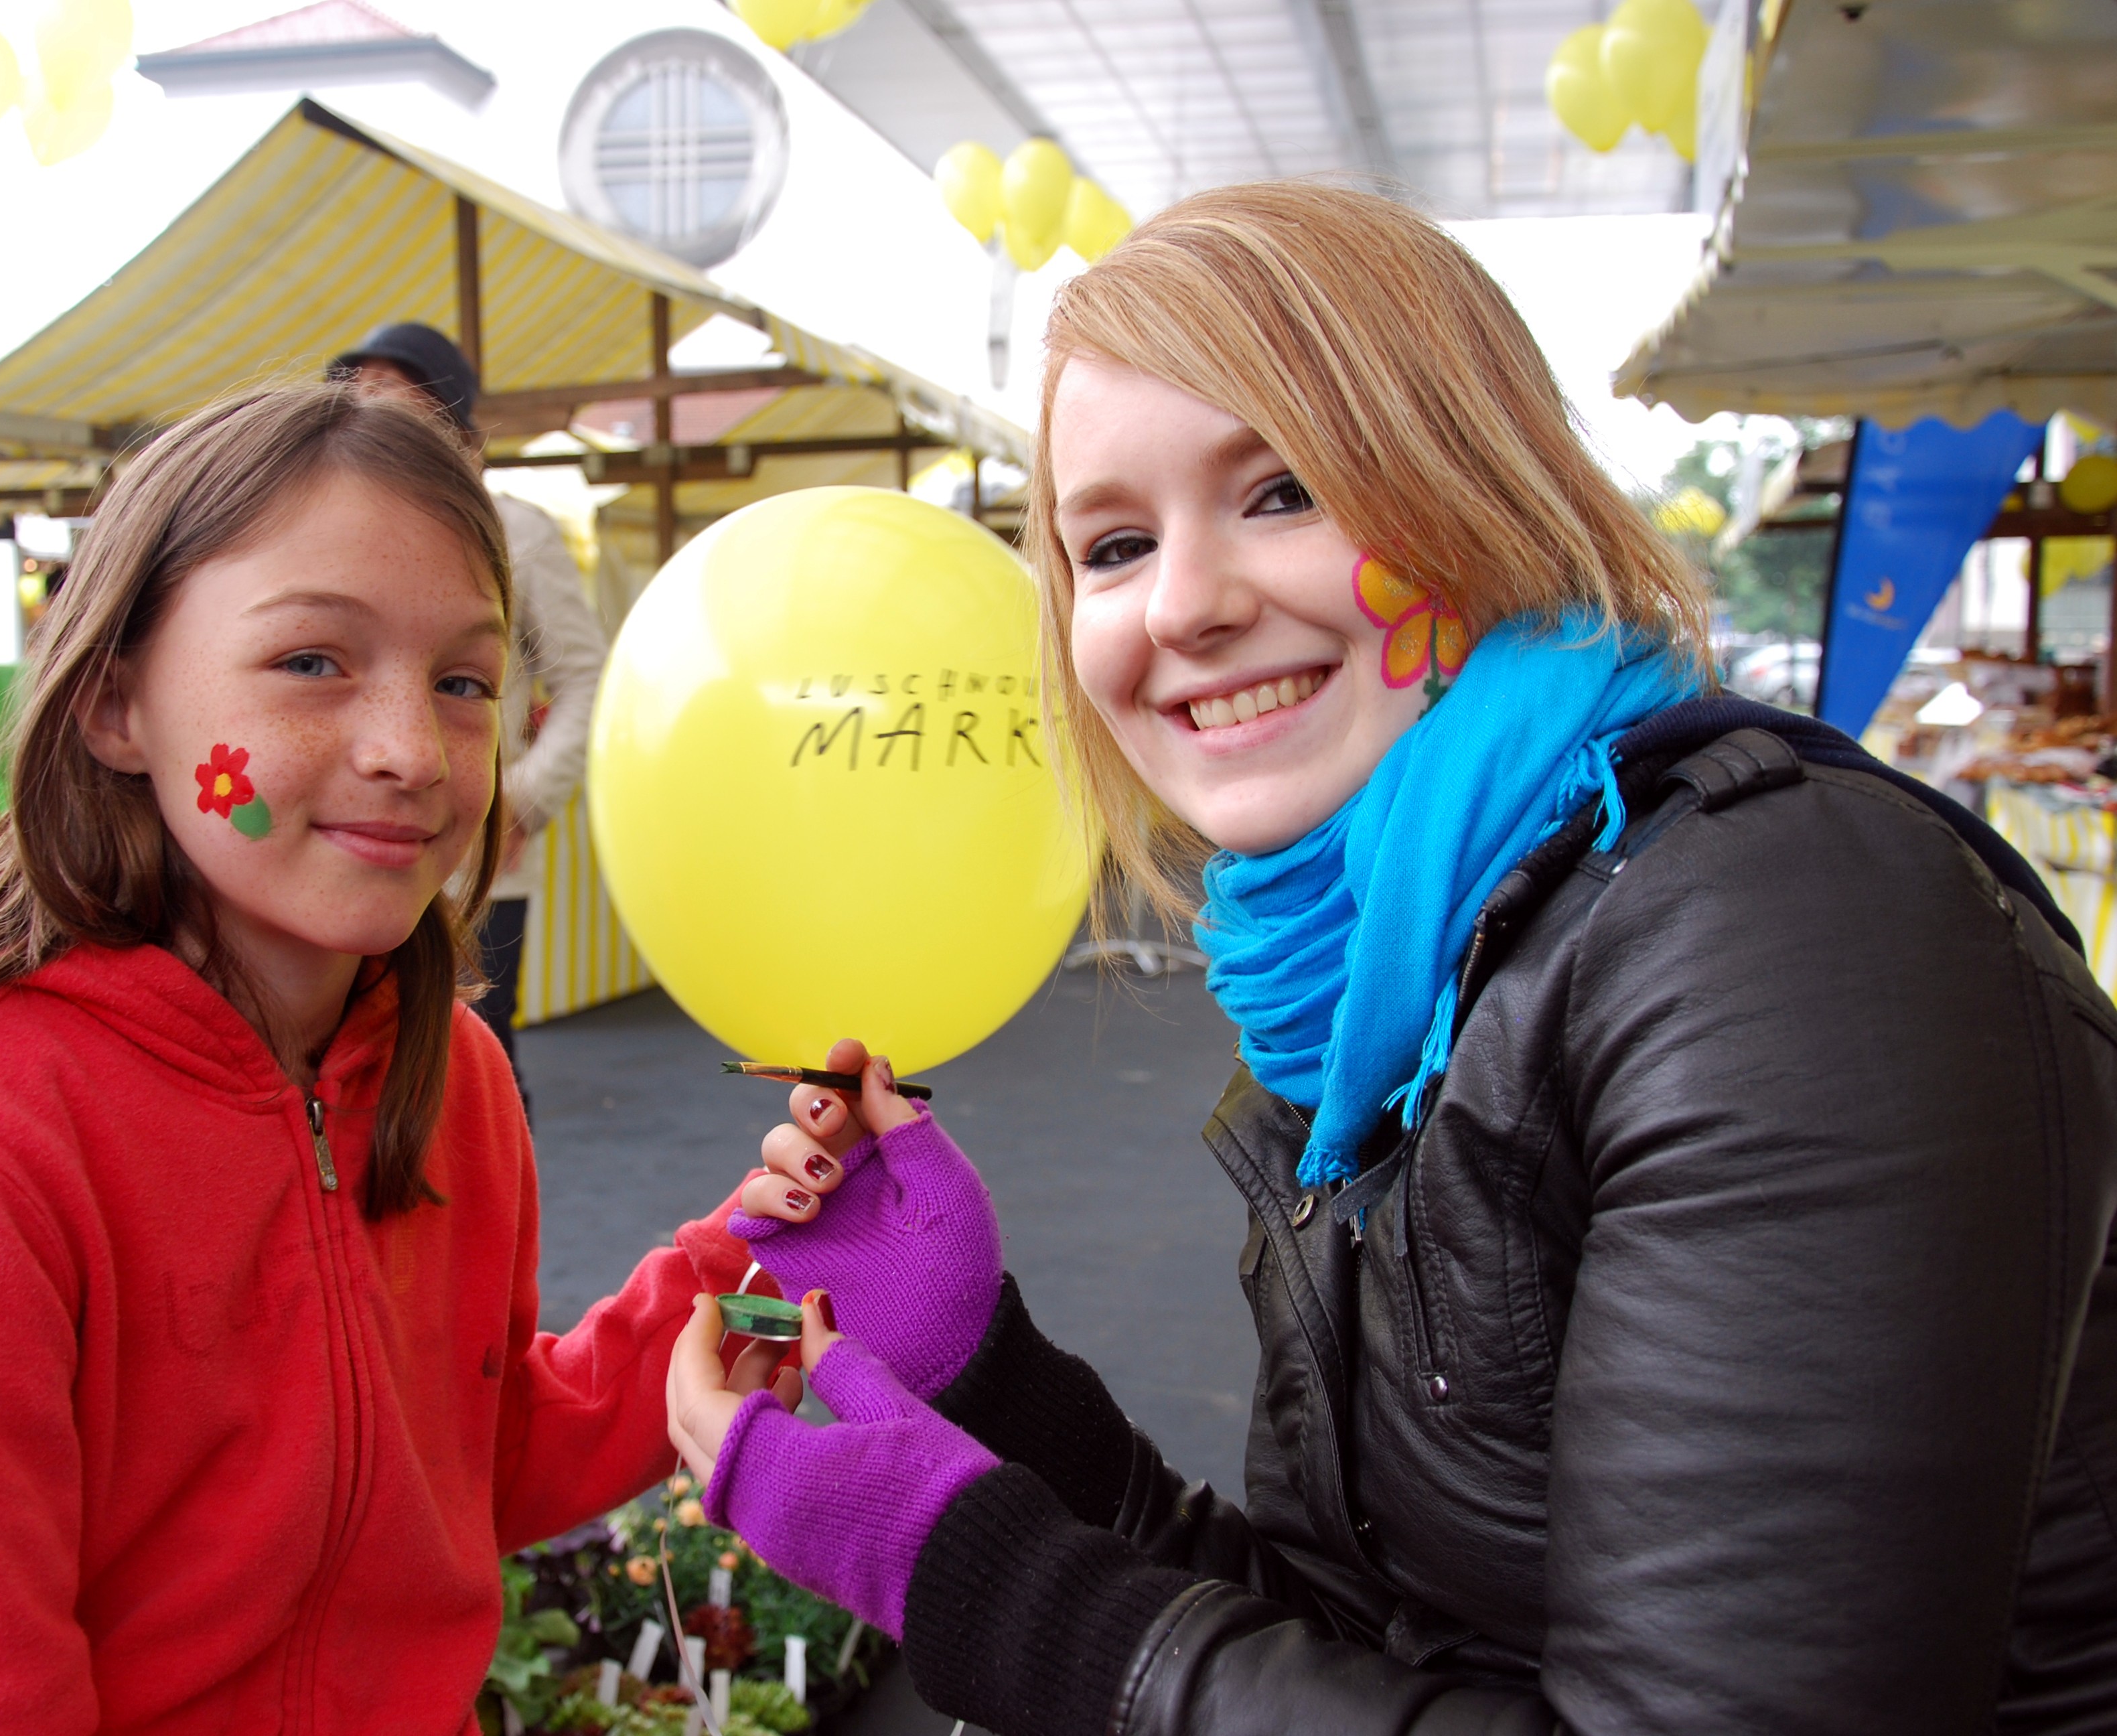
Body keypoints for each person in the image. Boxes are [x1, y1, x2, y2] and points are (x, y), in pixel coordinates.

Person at [665, 184, 2117, 1733]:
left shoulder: (1783, 936)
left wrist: (979, 1574)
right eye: (1116, 544)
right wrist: (986, 1384)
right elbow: (1387, 1653)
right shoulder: (1383, 989)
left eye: (1283, 491)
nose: (1185, 606)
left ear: (1475, 484)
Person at [0, 385, 784, 1732]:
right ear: (116, 703)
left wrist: (772, 1268)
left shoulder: (454, 1081)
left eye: (465, 683)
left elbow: (467, 1459)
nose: (411, 751)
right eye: (312, 661)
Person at [332, 321, 609, 1094]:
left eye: (391, 392)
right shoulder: (327, 527)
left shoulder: (514, 531)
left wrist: (521, 798)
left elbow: (588, 680)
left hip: (474, 854)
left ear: (450, 419)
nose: (366, 405)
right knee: (355, 1061)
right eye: (353, 390)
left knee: (469, 1064)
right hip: (350, 837)